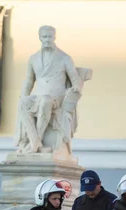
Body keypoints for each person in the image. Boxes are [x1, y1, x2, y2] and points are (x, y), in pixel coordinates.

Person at [14, 25, 83, 154]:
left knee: (45, 101)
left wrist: (76, 89)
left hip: (55, 96)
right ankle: (35, 141)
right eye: (44, 37)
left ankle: (37, 138)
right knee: (22, 103)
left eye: (49, 36)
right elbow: (29, 80)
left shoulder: (64, 57)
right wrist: (24, 95)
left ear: (54, 37)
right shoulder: (33, 58)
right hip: (37, 95)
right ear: (40, 38)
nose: (47, 39)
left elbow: (74, 78)